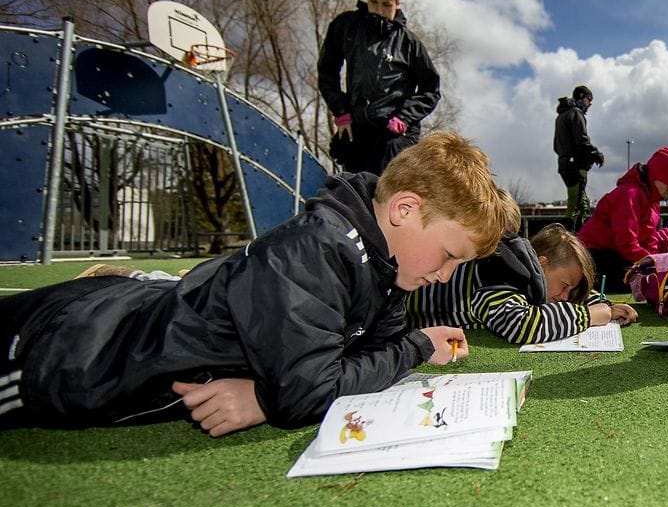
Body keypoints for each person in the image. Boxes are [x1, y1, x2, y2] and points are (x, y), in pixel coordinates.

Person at [0, 133, 513, 436]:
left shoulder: (386, 266)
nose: (445, 275)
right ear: (405, 210)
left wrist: (268, 393)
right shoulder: (317, 251)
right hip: (66, 352)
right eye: (449, 255)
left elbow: (367, 352)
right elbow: (310, 396)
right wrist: (274, 399)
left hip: (128, 314)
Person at [406, 223, 638, 344]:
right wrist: (589, 316)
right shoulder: (500, 274)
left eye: (572, 291)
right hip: (405, 325)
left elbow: (566, 293)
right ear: (542, 264)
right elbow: (520, 325)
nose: (565, 296)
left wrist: (603, 305)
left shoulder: (526, 269)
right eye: (565, 285)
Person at [317, 0, 441, 175]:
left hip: (394, 135)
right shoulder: (347, 27)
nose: (380, 11)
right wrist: (341, 111)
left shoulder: (409, 43)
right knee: (354, 194)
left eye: (387, 5)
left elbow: (431, 90)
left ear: (397, 3)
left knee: (384, 195)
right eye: (373, 2)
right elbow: (327, 70)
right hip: (358, 129)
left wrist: (403, 118)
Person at [578, 146, 668, 293]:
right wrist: (651, 264)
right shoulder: (629, 194)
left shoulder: (653, 201)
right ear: (657, 175)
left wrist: (654, 262)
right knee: (632, 283)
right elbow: (625, 241)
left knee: (647, 279)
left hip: (618, 253)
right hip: (595, 254)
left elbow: (650, 238)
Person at [554, 85, 604, 230]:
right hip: (575, 166)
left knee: (573, 203)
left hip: (564, 164)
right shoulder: (576, 114)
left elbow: (556, 145)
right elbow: (582, 140)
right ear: (582, 98)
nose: (590, 103)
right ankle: (574, 239)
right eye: (589, 99)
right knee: (580, 206)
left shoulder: (561, 116)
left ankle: (567, 235)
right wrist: (596, 154)